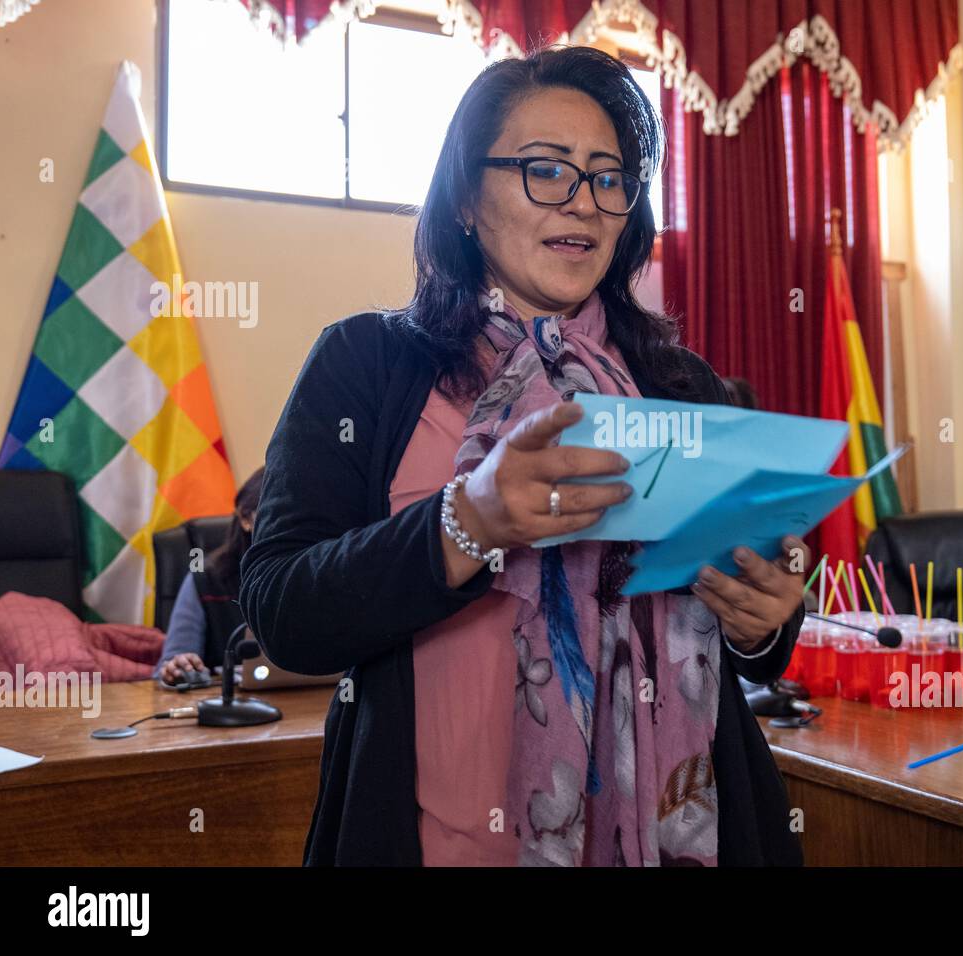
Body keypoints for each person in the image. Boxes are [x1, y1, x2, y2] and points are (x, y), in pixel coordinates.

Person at [240, 46, 807, 867]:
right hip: (437, 843)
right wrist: (468, 522)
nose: (583, 202)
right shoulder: (366, 364)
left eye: (608, 178)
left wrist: (767, 615)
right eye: (547, 170)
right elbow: (283, 610)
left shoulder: (680, 384)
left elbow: (759, 623)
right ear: (467, 197)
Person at [155, 468, 263, 685]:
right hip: (230, 708)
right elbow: (170, 666)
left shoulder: (314, 572)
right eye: (273, 514)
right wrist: (178, 667)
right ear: (245, 518)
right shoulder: (207, 580)